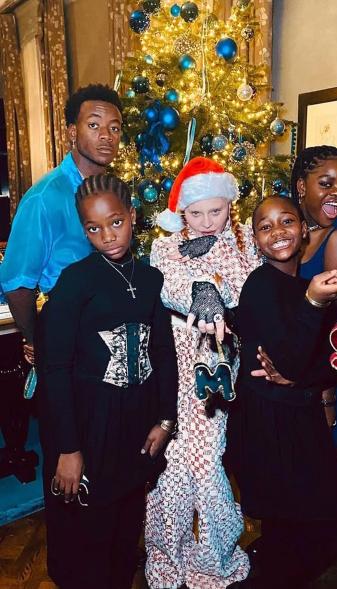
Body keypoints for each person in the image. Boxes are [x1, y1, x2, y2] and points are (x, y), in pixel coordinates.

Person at [36, 174, 178, 589]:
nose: (107, 236)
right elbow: (55, 369)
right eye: (93, 228)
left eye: (115, 222)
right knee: (89, 539)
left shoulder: (151, 279)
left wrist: (166, 419)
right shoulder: (76, 281)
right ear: (84, 230)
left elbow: (163, 355)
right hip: (90, 427)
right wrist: (68, 448)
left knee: (124, 529)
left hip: (136, 427)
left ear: (132, 216)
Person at [145, 157, 260, 589]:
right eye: (197, 213)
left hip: (215, 371)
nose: (208, 221)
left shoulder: (242, 241)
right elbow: (167, 285)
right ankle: (165, 558)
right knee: (173, 466)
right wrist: (198, 290)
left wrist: (217, 287)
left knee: (208, 462)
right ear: (181, 212)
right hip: (172, 368)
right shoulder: (165, 246)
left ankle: (215, 559)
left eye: (217, 210)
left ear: (230, 204)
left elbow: (248, 285)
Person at [231, 195, 337, 588]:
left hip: (300, 416)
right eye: (265, 227)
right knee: (291, 520)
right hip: (270, 425)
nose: (277, 232)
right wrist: (313, 304)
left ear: (303, 231)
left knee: (323, 516)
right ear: (255, 240)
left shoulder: (303, 286)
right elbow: (289, 359)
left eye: (286, 222)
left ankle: (274, 561)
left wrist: (303, 377)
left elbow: (328, 360)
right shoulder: (259, 285)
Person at [0, 83, 123, 364]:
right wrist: (38, 340)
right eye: (94, 125)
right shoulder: (45, 197)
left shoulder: (114, 192)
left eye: (114, 128)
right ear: (72, 132)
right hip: (68, 343)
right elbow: (16, 283)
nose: (106, 136)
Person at [291, 145, 337, 471]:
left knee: (326, 478)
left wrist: (327, 396)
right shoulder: (289, 231)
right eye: (327, 183)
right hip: (293, 375)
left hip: (327, 380)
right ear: (302, 186)